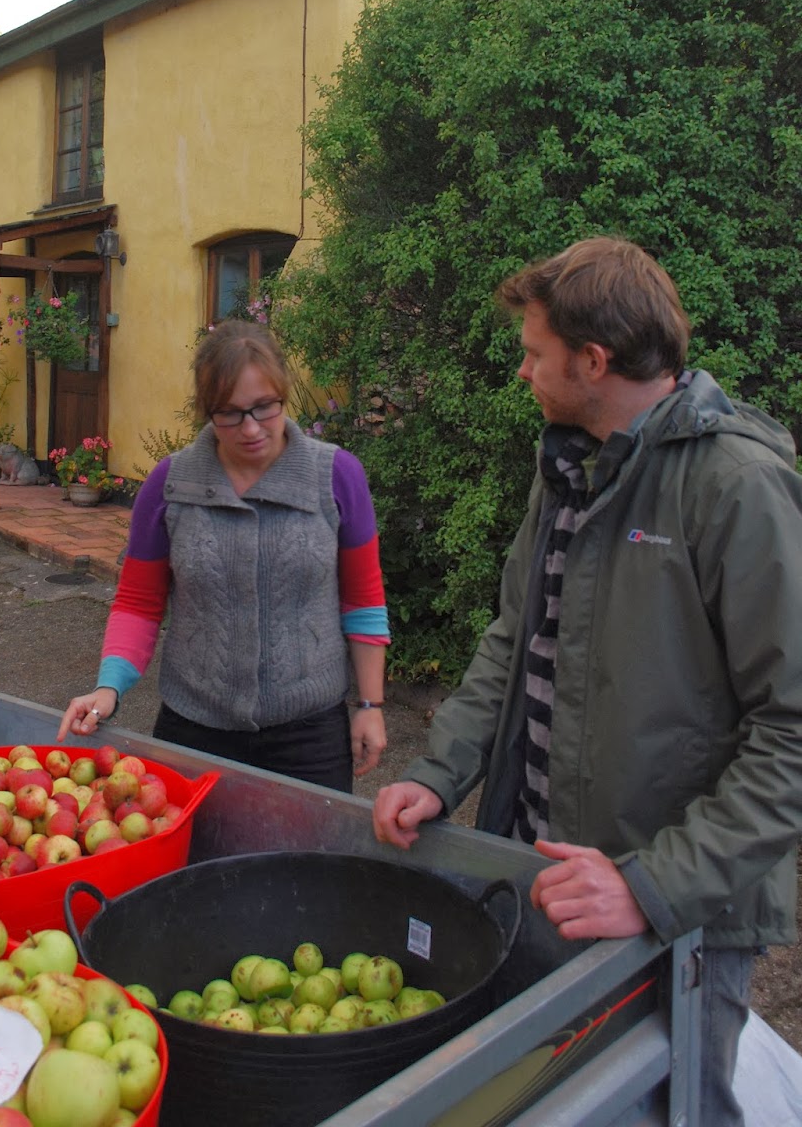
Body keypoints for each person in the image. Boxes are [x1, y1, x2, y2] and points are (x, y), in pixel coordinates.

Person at [372, 236, 802, 1126]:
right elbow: (514, 636)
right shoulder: (570, 467)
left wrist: (652, 885)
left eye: (535, 353)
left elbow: (791, 731)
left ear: (593, 360)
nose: (522, 371)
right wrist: (438, 772)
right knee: (561, 1103)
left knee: (676, 1108)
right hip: (552, 881)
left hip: (676, 913)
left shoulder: (736, 487)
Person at [59, 318, 390, 791]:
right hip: (195, 729)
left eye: (264, 407)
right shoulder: (169, 485)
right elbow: (138, 603)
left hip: (310, 736)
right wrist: (108, 687)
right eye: (230, 413)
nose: (251, 428)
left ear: (283, 393)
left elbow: (363, 600)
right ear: (206, 409)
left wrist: (371, 706)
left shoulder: (336, 476)